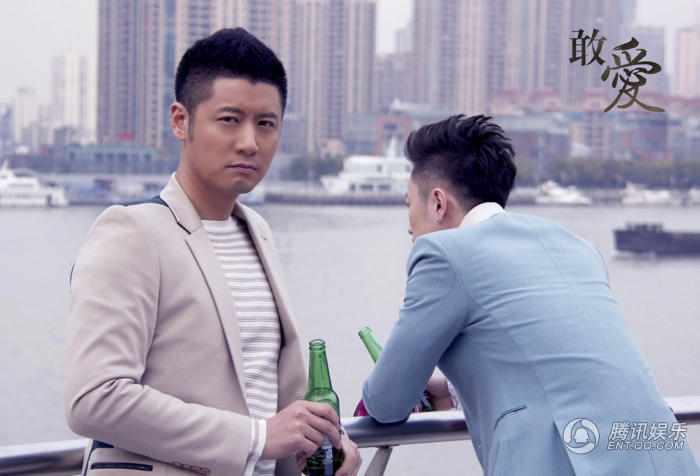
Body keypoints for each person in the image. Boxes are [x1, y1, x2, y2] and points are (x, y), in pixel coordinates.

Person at [65, 28, 360, 476]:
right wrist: (257, 438)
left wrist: (321, 441)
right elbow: (94, 398)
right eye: (229, 119)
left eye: (266, 124)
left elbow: (268, 394)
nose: (249, 142)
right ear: (180, 121)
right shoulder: (132, 232)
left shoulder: (257, 231)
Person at [362, 114, 699, 475]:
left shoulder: (442, 254)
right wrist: (452, 390)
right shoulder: (576, 246)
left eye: (408, 205)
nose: (409, 226)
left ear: (438, 203)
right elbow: (558, 362)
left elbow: (387, 402)